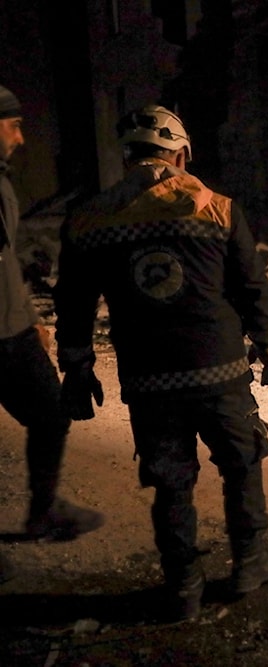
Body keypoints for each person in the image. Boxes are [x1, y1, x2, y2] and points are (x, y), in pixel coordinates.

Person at [53, 104, 268, 621]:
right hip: (219, 369)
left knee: (170, 479)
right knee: (242, 462)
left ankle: (183, 587)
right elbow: (252, 285)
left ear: (128, 155)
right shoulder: (215, 206)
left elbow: (73, 301)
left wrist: (78, 365)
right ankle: (250, 563)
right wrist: (267, 341)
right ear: (180, 153)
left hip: (148, 375)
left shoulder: (90, 218)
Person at [0, 82, 105, 574]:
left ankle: (43, 511)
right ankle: (43, 512)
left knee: (50, 414)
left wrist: (30, 315)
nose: (21, 139)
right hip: (2, 334)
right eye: (14, 126)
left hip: (10, 328)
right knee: (49, 415)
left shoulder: (0, 182)